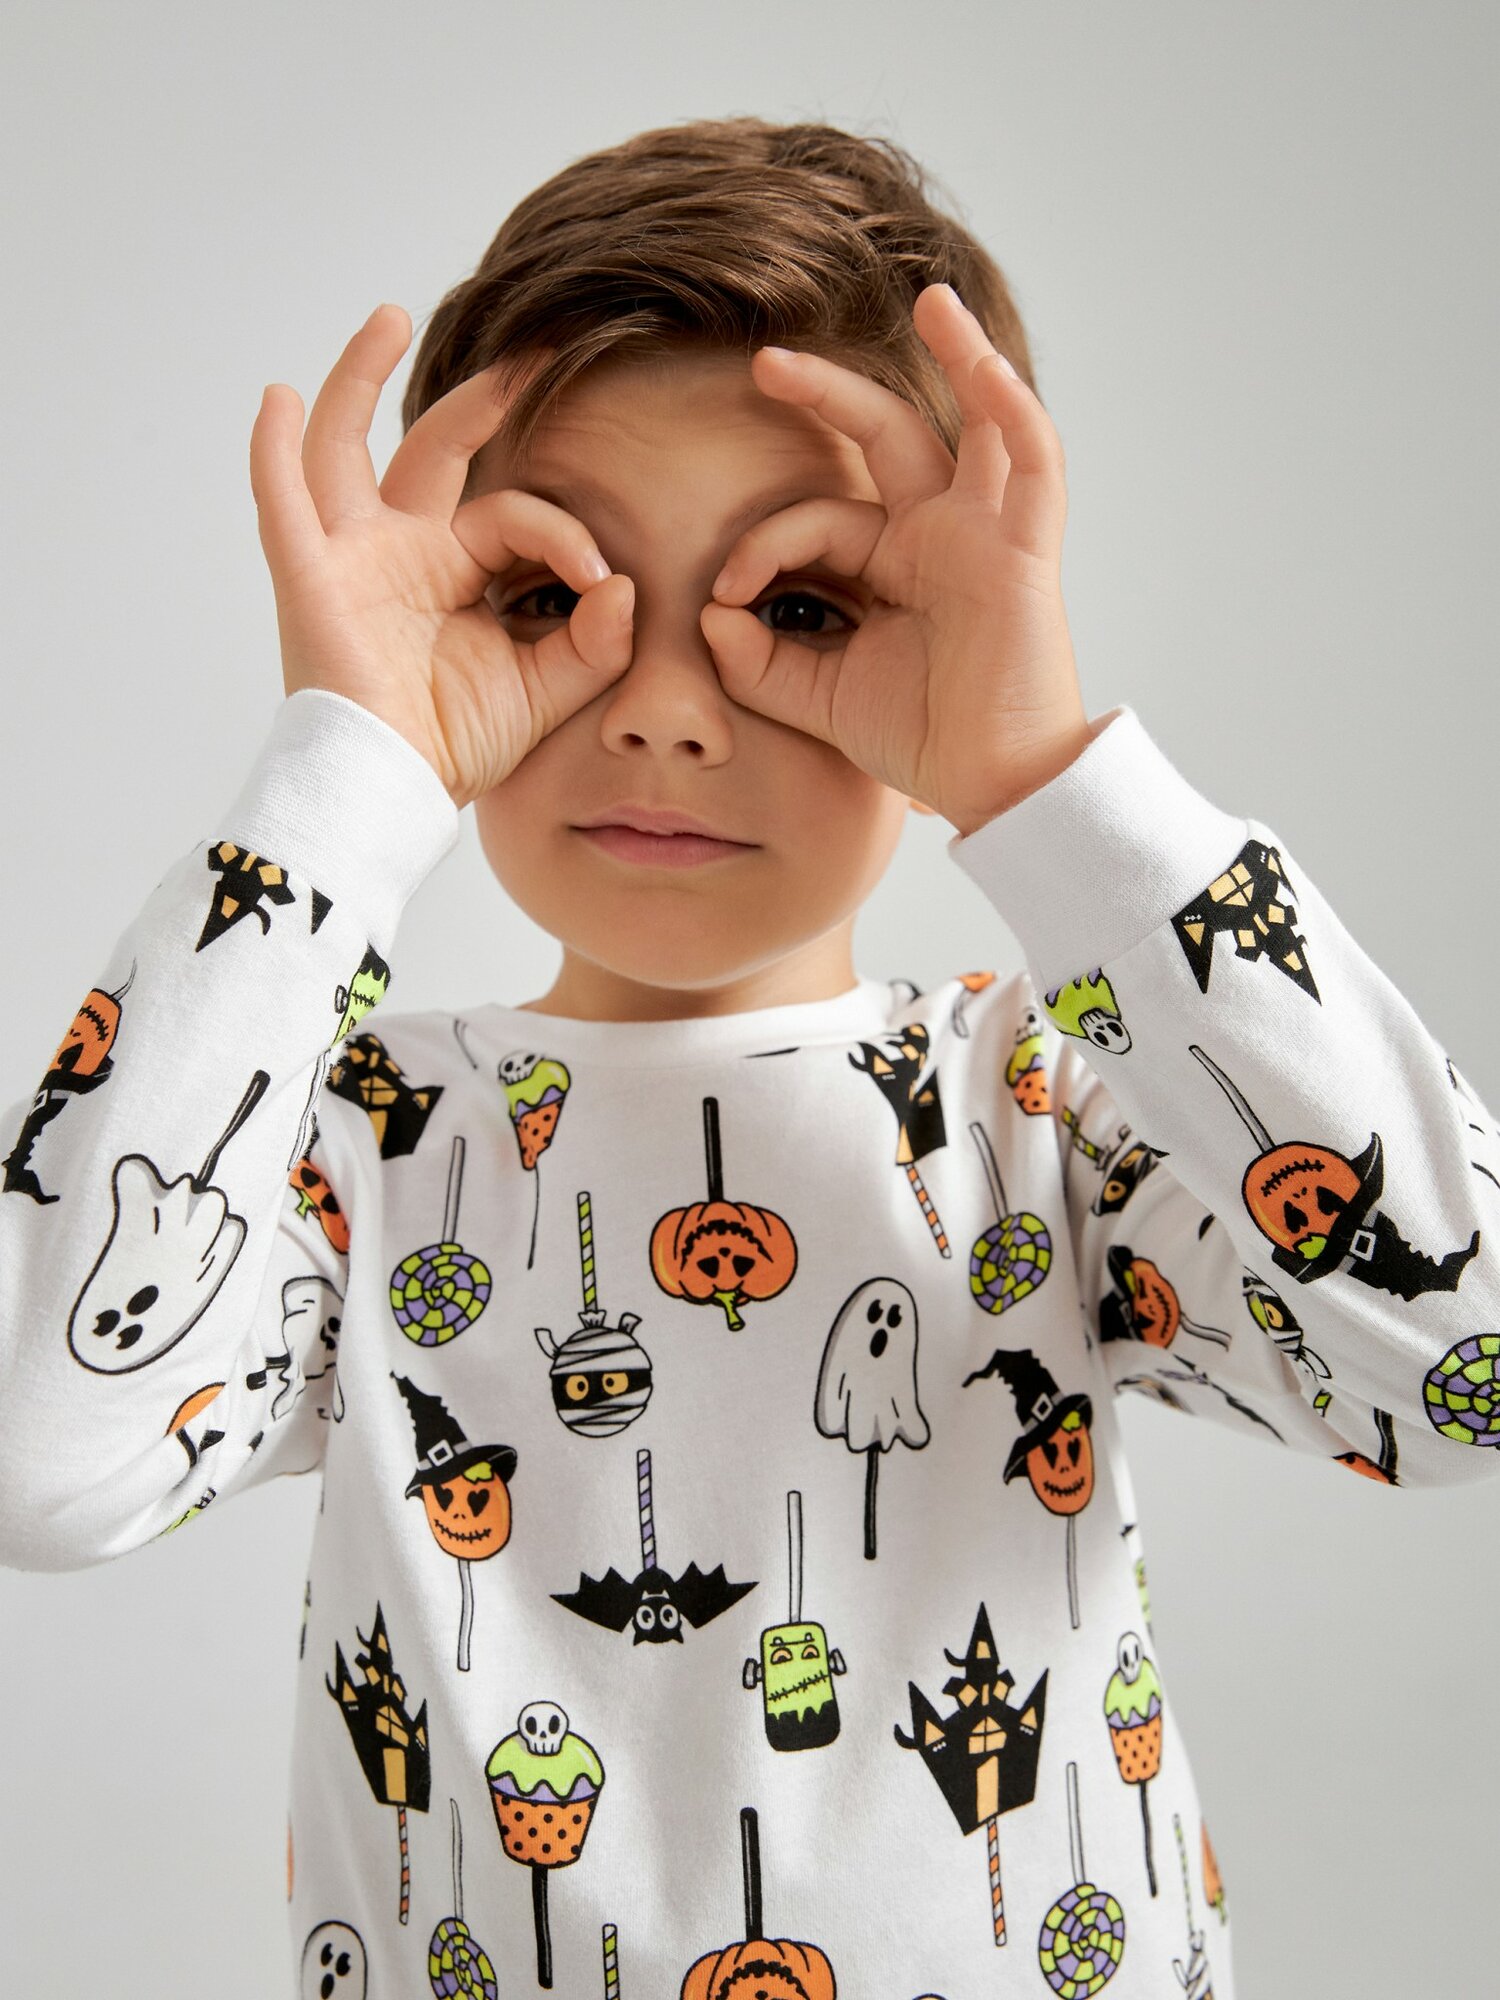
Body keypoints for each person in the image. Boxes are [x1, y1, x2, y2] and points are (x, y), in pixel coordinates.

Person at [1, 114, 1495, 2000]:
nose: (667, 713)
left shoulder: (1048, 1103)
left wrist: (1049, 783)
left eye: (801, 607)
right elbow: (45, 1465)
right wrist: (344, 773)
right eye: (548, 596)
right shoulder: (355, 1138)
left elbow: (1463, 1368)